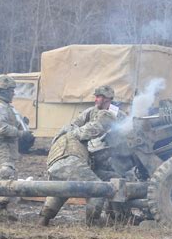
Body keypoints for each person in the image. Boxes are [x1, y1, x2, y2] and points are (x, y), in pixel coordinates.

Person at [39, 85, 119, 226]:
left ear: (107, 99)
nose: (96, 99)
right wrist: (77, 132)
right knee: (98, 188)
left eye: (99, 97)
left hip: (59, 158)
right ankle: (92, 222)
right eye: (96, 96)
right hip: (72, 158)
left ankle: (44, 218)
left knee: (61, 188)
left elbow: (72, 129)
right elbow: (82, 130)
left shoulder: (111, 114)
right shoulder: (94, 113)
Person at [0, 74, 32, 213]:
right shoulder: (0, 107)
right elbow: (1, 127)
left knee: (1, 174)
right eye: (11, 90)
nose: (13, 93)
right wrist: (20, 133)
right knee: (6, 172)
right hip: (0, 145)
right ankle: (1, 208)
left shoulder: (2, 105)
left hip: (4, 145)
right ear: (4, 91)